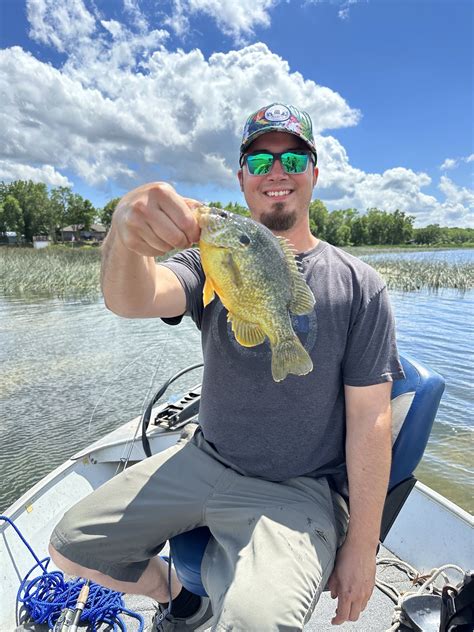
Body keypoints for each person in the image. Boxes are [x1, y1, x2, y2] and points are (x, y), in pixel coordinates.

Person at [49, 102, 405, 631]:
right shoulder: (209, 257)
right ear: (241, 178)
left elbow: (371, 422)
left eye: (293, 158)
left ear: (314, 171)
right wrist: (125, 231)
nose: (276, 171)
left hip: (298, 486)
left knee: (255, 623)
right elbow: (131, 298)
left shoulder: (359, 285)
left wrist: (363, 545)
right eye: (259, 162)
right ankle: (180, 598)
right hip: (204, 459)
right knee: (71, 548)